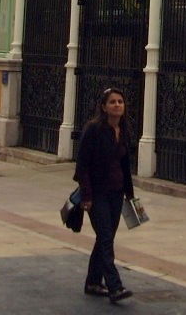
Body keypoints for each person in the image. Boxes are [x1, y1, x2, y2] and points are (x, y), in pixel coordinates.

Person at [72, 87, 134, 303]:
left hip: (116, 193)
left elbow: (125, 165)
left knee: (105, 238)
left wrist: (130, 194)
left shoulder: (123, 130)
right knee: (106, 238)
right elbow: (82, 165)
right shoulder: (94, 130)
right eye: (112, 102)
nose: (117, 105)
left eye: (120, 101)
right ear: (104, 107)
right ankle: (115, 286)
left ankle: (92, 281)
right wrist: (87, 196)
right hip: (96, 193)